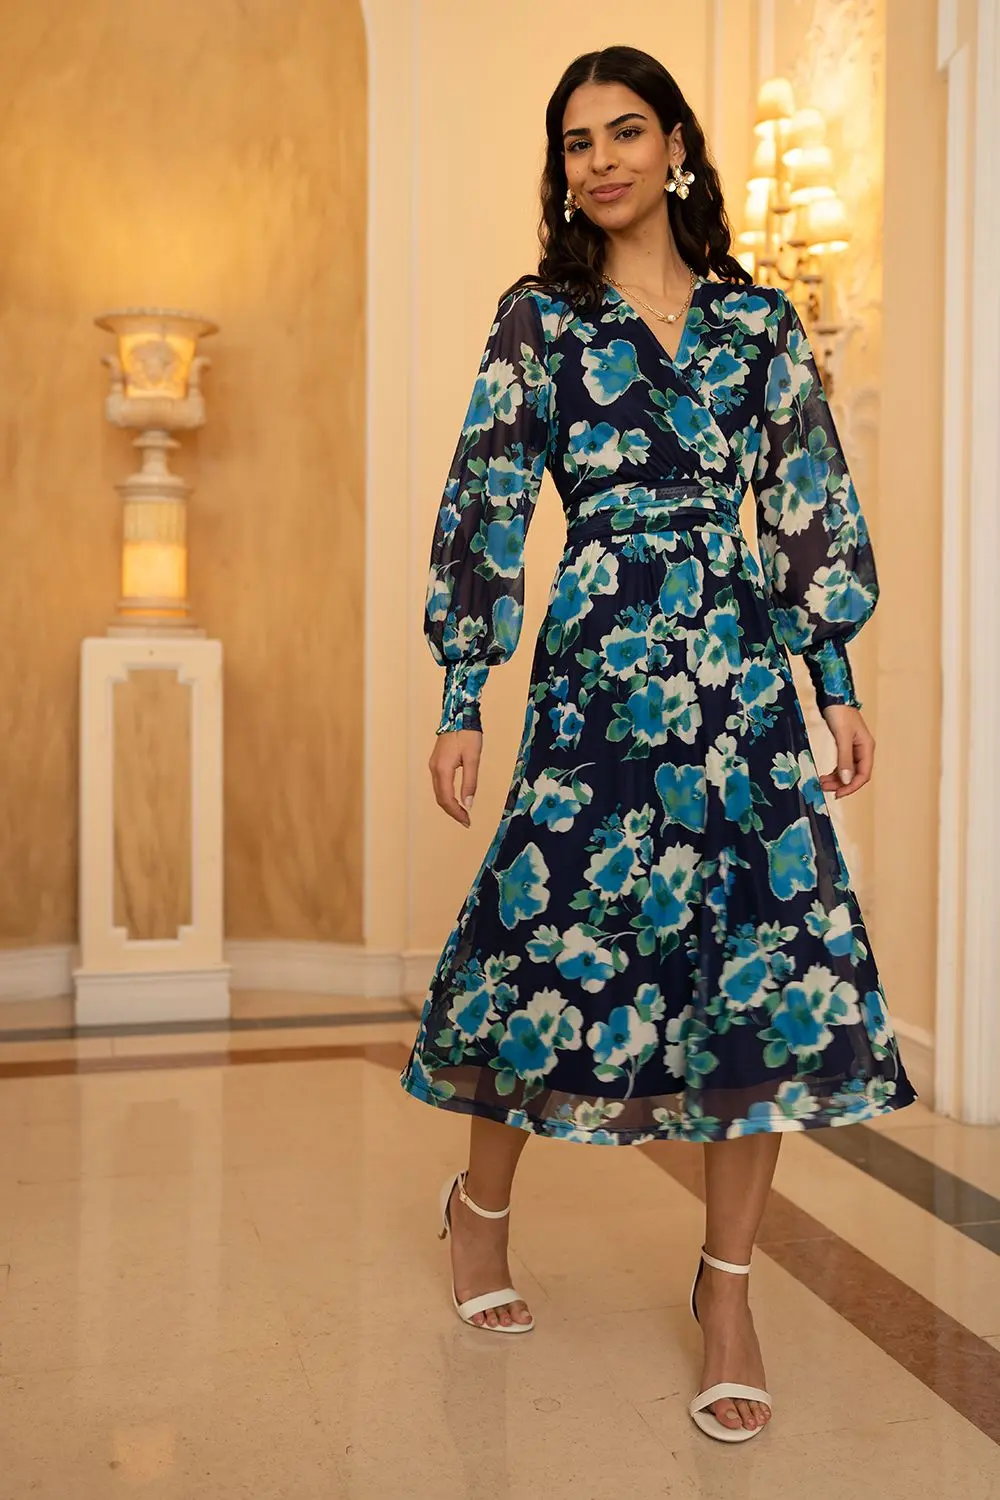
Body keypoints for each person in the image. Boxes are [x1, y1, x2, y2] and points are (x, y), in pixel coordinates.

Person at [399, 43, 916, 1443]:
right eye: (578, 143)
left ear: (678, 145)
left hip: (739, 675)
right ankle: (481, 1207)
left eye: (626, 132)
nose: (603, 161)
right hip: (598, 673)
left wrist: (833, 678)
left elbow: (803, 498)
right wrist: (463, 697)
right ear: (562, 170)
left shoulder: (757, 321)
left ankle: (728, 1291)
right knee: (541, 942)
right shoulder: (542, 319)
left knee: (765, 965)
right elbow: (487, 500)